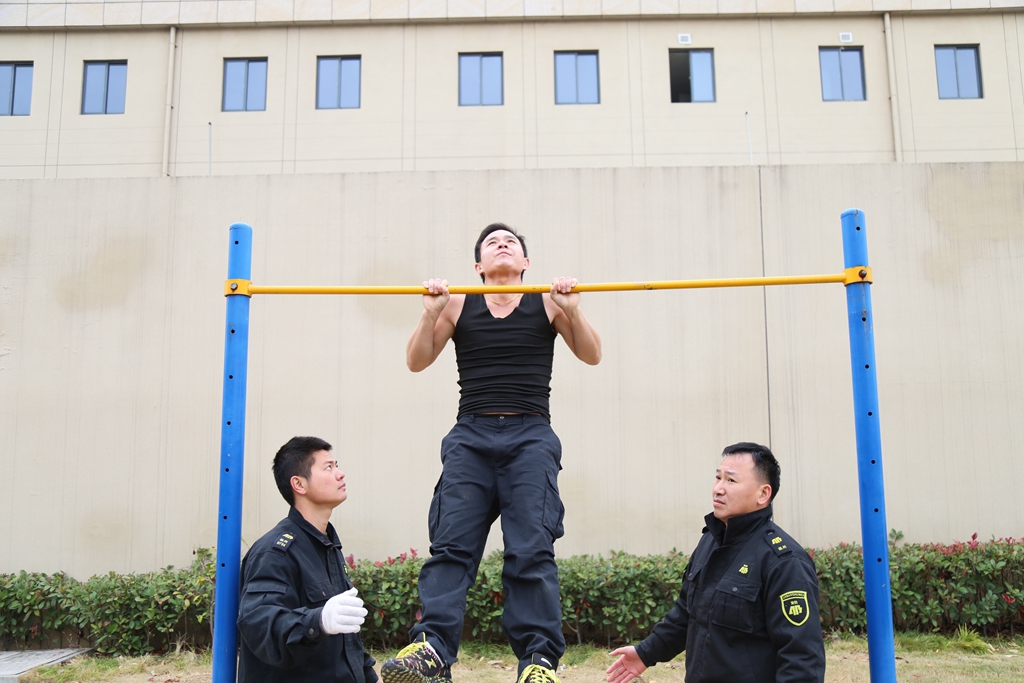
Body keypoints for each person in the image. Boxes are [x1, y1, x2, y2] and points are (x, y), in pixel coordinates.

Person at [382, 223, 602, 683]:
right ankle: (430, 652)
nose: (503, 245)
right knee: (451, 547)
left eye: (511, 242)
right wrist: (430, 313)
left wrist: (573, 310)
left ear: (525, 263)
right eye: (492, 243)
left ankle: (538, 662)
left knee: (531, 550)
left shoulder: (546, 301)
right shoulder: (458, 302)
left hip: (531, 435)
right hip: (471, 435)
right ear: (478, 266)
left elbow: (592, 354)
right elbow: (416, 361)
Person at [606, 442, 826, 683]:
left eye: (731, 480)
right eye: (718, 478)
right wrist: (646, 652)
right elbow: (687, 614)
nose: (718, 489)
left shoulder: (783, 561)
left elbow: (801, 657)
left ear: (763, 494)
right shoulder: (711, 541)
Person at [237, 436, 378, 683]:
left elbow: (345, 640)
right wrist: (318, 621)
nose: (340, 474)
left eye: (337, 465)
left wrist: (369, 677)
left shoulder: (327, 546)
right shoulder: (275, 553)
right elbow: (261, 626)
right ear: (299, 484)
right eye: (328, 467)